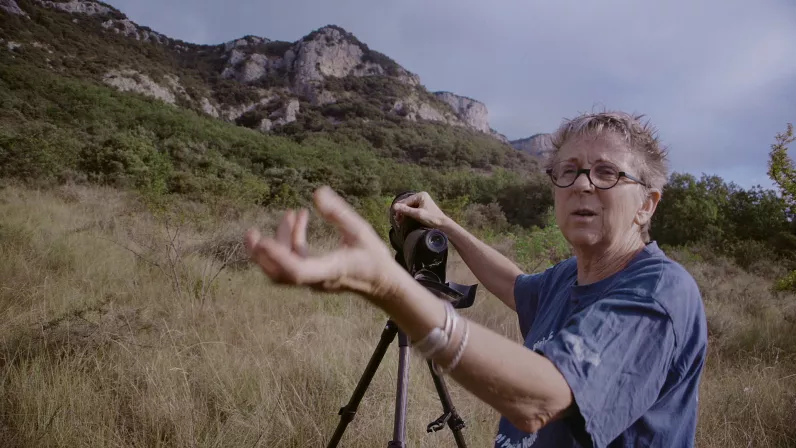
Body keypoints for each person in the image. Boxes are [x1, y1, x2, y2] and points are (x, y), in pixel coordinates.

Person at [244, 110, 708, 447]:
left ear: (647, 204)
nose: (583, 184)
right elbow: (514, 285)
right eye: (568, 171)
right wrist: (445, 224)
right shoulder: (569, 276)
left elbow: (542, 399)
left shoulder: (660, 292)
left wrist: (390, 287)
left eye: (606, 173)